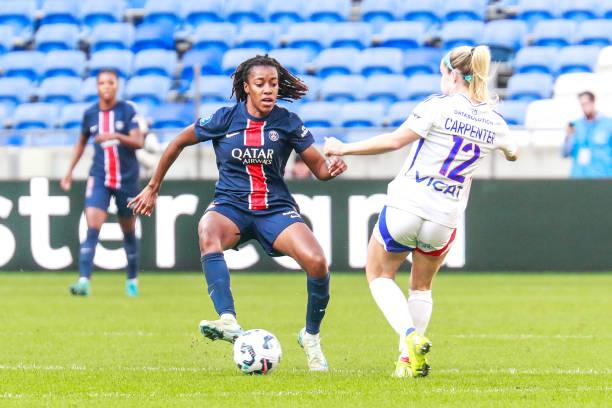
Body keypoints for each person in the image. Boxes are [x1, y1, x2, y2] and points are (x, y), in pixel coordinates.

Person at [128, 55, 347, 371]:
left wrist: (332, 167)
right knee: (207, 229)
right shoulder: (224, 119)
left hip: (275, 209)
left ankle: (310, 337)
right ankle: (228, 319)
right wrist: (153, 186)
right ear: (246, 88)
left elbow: (320, 170)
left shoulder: (288, 122)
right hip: (231, 207)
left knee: (317, 262)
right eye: (260, 84)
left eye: (273, 84)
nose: (269, 90)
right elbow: (177, 142)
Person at [324, 45, 518, 378]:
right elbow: (513, 153)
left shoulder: (437, 106)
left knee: (379, 274)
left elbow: (395, 141)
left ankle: (410, 336)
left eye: (443, 75)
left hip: (409, 204)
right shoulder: (495, 121)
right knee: (421, 287)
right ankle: (405, 363)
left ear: (454, 75)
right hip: (445, 217)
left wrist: (343, 147)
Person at [60, 69, 145, 297]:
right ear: (97, 87)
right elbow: (81, 142)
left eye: (110, 82)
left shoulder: (127, 111)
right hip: (99, 177)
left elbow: (138, 141)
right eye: (102, 83)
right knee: (92, 228)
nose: (106, 86)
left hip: (126, 179)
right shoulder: (90, 114)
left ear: (116, 86)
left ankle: (132, 280)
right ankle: (84, 281)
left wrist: (116, 136)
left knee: (127, 231)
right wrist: (69, 171)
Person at [562, 91, 612, 178]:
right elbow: (565, 153)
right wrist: (568, 136)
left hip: (602, 176)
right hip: (580, 176)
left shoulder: (608, 124)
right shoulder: (576, 125)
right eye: (582, 104)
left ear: (593, 102)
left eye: (586, 103)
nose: (585, 107)